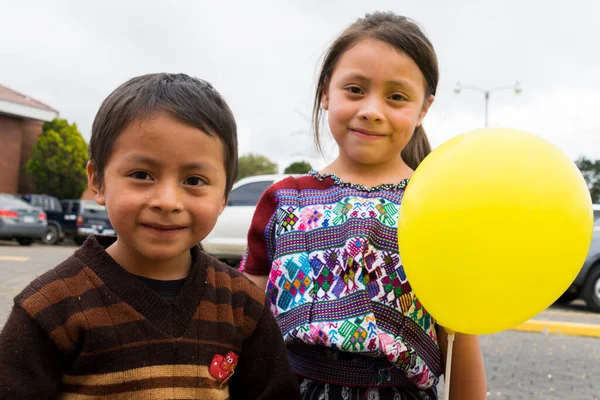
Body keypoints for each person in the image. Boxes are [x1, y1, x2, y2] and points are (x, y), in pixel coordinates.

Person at [0, 73, 301, 400]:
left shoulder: (244, 306)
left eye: (195, 180)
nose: (168, 202)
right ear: (97, 180)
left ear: (224, 196)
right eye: (141, 175)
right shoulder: (49, 308)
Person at [240, 12, 486, 400]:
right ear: (326, 93)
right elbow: (244, 319)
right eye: (355, 89)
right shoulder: (284, 199)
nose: (372, 109)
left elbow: (458, 337)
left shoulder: (437, 208)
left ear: (423, 109)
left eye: (397, 96)